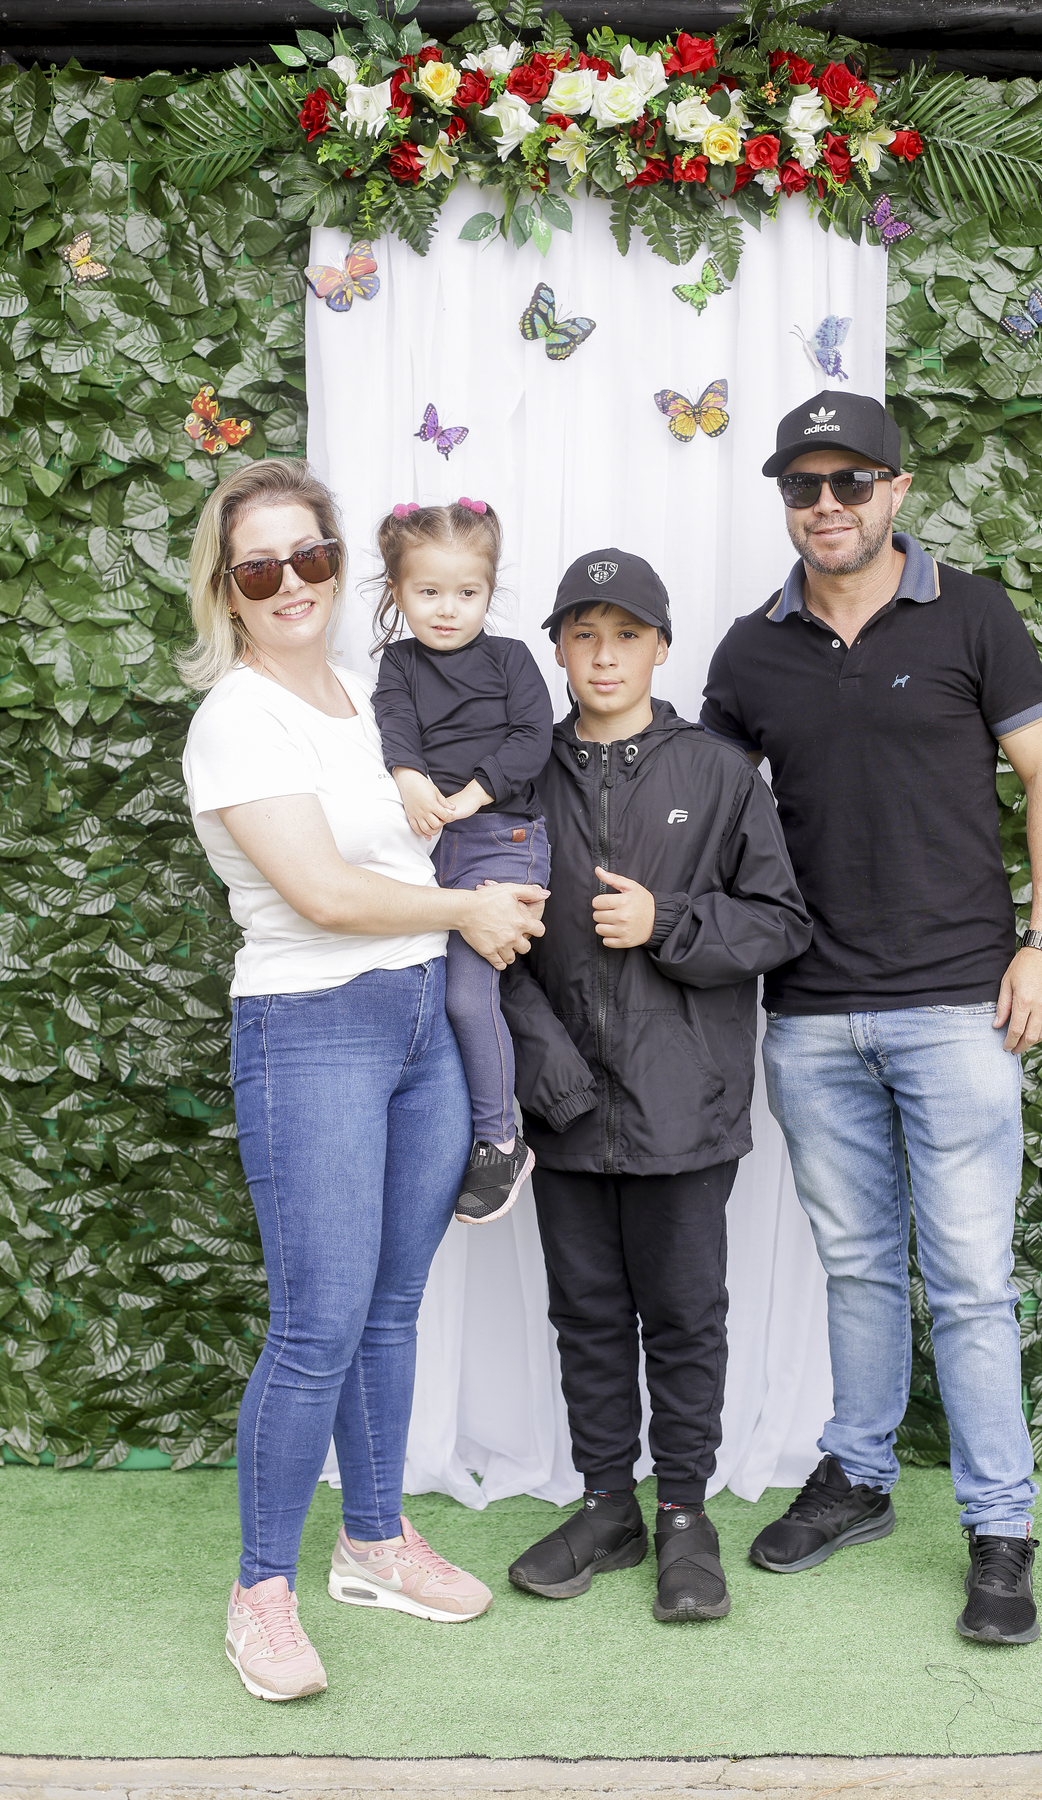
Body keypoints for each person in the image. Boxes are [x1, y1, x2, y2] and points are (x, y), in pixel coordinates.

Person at [701, 391, 1042, 1646]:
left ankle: (1002, 1529)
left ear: (896, 491)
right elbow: (700, 816)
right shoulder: (748, 653)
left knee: (970, 1282)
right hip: (812, 1017)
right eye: (803, 486)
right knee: (859, 1267)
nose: (826, 505)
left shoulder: (972, 613)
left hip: (961, 1005)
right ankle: (859, 1479)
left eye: (850, 482)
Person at [179, 460, 548, 1703]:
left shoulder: (358, 696)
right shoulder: (238, 719)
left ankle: (376, 1543)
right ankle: (260, 1594)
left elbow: (430, 840)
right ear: (228, 588)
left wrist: (491, 892)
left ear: (342, 564)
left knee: (390, 1308)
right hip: (312, 1027)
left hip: (419, 1023)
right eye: (261, 566)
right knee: (318, 1324)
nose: (292, 582)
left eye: (313, 555)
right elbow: (327, 895)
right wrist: (471, 909)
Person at [500, 549, 812, 1624]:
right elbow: (487, 943)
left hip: (686, 1107)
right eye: (583, 635)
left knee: (684, 1317)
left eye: (625, 635)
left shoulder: (720, 774)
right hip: (565, 1107)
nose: (604, 656)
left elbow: (779, 923)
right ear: (557, 649)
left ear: (661, 648)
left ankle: (683, 1514)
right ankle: (607, 1508)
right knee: (586, 1314)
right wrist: (549, 1076)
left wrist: (666, 921)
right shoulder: (520, 778)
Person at [371, 498, 553, 1225]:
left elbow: (533, 736)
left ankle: (500, 1139)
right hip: (428, 846)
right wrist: (410, 778)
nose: (448, 610)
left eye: (467, 593)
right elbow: (394, 725)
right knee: (420, 994)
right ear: (397, 592)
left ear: (489, 591)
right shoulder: (398, 664)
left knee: (466, 998)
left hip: (501, 841)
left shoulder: (510, 659)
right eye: (428, 592)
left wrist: (474, 793)